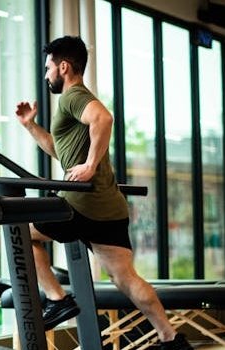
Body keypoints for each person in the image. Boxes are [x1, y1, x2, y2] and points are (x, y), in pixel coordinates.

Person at [14, 35, 193, 350]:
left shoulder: (72, 96)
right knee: (126, 279)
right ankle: (171, 338)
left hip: (81, 203)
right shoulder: (73, 103)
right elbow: (61, 151)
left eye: (48, 68)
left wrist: (90, 165)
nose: (46, 76)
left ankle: (57, 300)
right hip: (109, 208)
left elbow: (104, 118)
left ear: (64, 67)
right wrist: (31, 125)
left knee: (22, 233)